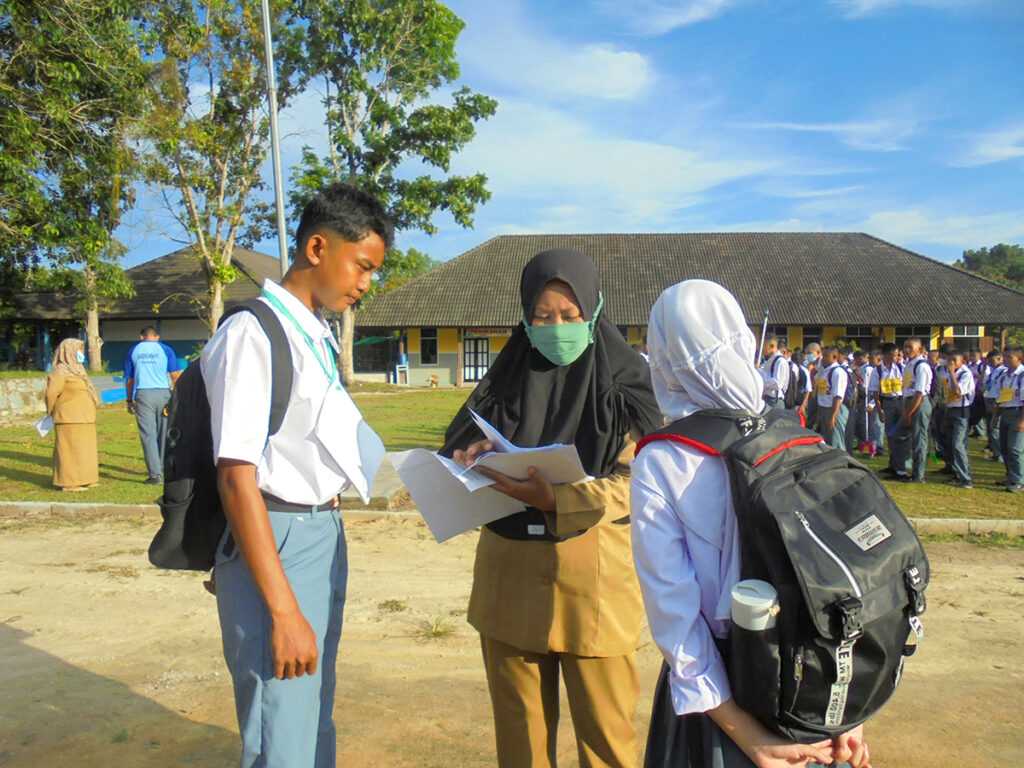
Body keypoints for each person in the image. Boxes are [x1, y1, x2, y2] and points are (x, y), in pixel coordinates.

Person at [630, 280, 870, 768]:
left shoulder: (661, 461)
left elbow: (676, 619)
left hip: (725, 695)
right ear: (740, 339)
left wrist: (749, 736)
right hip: (819, 687)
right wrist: (852, 706)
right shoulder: (801, 439)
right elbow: (848, 581)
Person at [442, 249, 662, 768]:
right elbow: (461, 449)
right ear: (524, 317)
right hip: (509, 583)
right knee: (521, 744)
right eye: (542, 317)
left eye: (569, 316)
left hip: (595, 589)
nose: (556, 327)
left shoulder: (627, 388)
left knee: (607, 743)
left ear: (594, 310)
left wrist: (557, 498)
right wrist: (469, 459)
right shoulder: (501, 386)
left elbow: (645, 483)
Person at [200, 182, 392, 768]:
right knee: (279, 727)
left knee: (311, 709)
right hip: (276, 537)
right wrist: (282, 611)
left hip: (320, 534)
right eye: (361, 266)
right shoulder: (253, 335)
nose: (365, 283)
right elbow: (237, 476)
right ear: (316, 247)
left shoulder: (313, 334)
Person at [124, 326, 182, 484]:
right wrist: (176, 394)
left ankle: (155, 474)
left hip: (144, 394)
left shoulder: (133, 350)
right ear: (157, 337)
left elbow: (130, 380)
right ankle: (164, 468)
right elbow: (175, 375)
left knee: (147, 434)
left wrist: (129, 400)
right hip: (163, 394)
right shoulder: (166, 349)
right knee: (164, 432)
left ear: (141, 337)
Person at [45, 339, 99, 491]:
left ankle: (86, 478)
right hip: (68, 417)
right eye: (79, 350)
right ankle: (69, 482)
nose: (81, 353)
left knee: (84, 449)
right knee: (69, 450)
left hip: (85, 417)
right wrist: (50, 410)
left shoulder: (78, 369)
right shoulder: (60, 370)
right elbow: (51, 393)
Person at [894, 338, 933, 483]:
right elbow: (906, 390)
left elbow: (919, 393)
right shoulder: (908, 365)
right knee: (899, 435)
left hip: (919, 403)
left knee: (919, 439)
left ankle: (918, 474)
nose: (907, 349)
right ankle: (902, 469)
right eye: (905, 346)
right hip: (909, 402)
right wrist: (905, 410)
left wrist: (909, 413)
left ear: (919, 349)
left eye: (911, 347)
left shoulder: (921, 366)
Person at [937, 349, 975, 489]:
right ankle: (956, 473)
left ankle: (966, 478)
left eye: (954, 361)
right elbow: (947, 395)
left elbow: (958, 391)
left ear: (962, 362)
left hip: (962, 411)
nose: (951, 363)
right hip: (951, 409)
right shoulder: (946, 373)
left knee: (958, 444)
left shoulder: (965, 374)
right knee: (950, 442)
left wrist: (952, 372)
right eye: (949, 360)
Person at [994, 346, 1024, 493]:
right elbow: (1001, 397)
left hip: (1018, 413)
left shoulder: (1022, 376)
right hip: (1006, 412)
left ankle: (1019, 480)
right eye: (1004, 357)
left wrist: (1022, 421)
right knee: (1004, 447)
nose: (1005, 360)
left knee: (1015, 449)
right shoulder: (1004, 375)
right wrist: (996, 416)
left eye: (1009, 357)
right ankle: (1011, 476)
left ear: (1019, 358)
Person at [814, 345, 849, 451]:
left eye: (826, 356)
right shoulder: (823, 371)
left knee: (836, 441)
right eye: (822, 355)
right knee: (827, 442)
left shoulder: (838, 372)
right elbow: (822, 394)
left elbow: (838, 396)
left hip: (835, 410)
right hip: (824, 409)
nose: (823, 358)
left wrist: (833, 416)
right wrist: (820, 414)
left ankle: (841, 465)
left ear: (834, 357)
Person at [758, 333, 789, 409]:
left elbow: (777, 383)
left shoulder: (780, 361)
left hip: (774, 401)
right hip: (767, 398)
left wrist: (760, 373)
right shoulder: (769, 360)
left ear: (772, 346)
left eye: (764, 345)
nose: (761, 348)